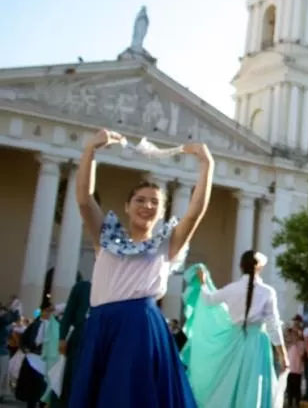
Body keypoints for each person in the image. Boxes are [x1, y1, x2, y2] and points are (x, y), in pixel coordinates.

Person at [68, 129, 212, 408]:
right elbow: (85, 200)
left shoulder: (167, 243)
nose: (147, 206)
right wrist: (90, 151)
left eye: (155, 202)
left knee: (129, 395)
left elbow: (195, 211)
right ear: (127, 205)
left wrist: (207, 165)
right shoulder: (105, 236)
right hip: (100, 324)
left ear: (162, 211)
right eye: (140, 200)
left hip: (139, 325)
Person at [182, 250, 287, 407]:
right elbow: (273, 325)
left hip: (234, 341)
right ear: (259, 267)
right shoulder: (267, 292)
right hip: (257, 342)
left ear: (241, 266)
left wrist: (203, 283)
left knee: (231, 382)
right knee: (253, 383)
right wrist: (282, 354)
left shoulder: (233, 288)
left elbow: (209, 299)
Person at [49, 277, 91, 408]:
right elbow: (68, 313)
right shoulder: (82, 287)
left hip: (98, 339)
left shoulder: (112, 287)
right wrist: (62, 338)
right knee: (71, 378)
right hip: (79, 338)